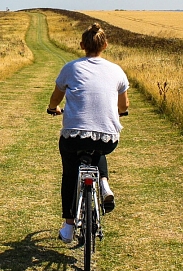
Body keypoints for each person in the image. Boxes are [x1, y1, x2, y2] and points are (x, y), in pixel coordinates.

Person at [47, 23, 130, 243]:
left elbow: (56, 98)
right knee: (98, 147)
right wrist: (121, 112)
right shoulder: (116, 70)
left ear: (82, 45)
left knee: (69, 173)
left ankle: (68, 226)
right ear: (106, 45)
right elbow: (124, 106)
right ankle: (103, 182)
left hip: (74, 136)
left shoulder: (71, 68)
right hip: (107, 137)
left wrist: (53, 108)